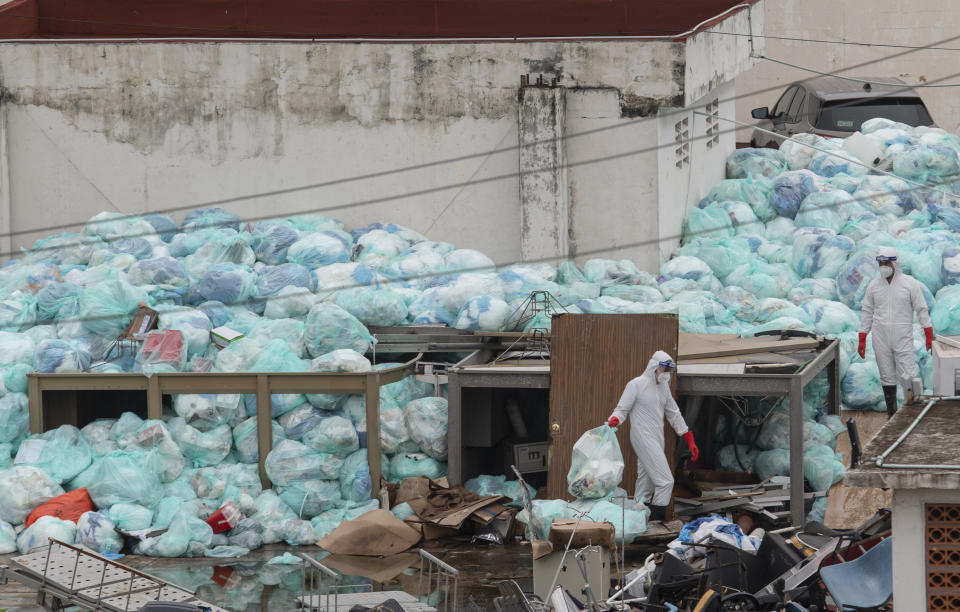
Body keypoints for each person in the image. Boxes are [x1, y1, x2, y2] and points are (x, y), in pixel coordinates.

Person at [606, 350, 697, 521]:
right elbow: (622, 409)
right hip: (642, 436)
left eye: (669, 370)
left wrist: (688, 437)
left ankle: (638, 517)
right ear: (654, 366)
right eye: (664, 368)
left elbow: (673, 413)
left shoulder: (664, 388)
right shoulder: (636, 384)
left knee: (645, 481)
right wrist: (614, 420)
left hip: (656, 436)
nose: (666, 373)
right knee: (665, 482)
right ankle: (657, 519)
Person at [858, 246, 933, 418]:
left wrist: (928, 331)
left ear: (894, 263)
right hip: (880, 336)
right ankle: (892, 414)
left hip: (902, 335)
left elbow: (921, 308)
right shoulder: (874, 285)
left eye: (886, 262)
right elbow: (867, 310)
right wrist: (862, 336)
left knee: (908, 374)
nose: (883, 266)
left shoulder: (909, 284)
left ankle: (914, 413)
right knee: (886, 375)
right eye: (880, 263)